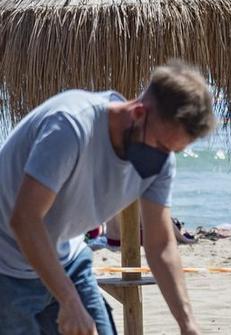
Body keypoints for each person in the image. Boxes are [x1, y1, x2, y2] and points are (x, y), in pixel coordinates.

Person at [0, 61, 215, 335]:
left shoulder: (160, 162)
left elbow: (160, 245)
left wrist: (187, 324)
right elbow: (25, 220)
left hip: (67, 258)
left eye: (173, 151)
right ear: (138, 113)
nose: (163, 159)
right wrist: (69, 301)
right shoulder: (71, 126)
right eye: (161, 146)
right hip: (6, 267)